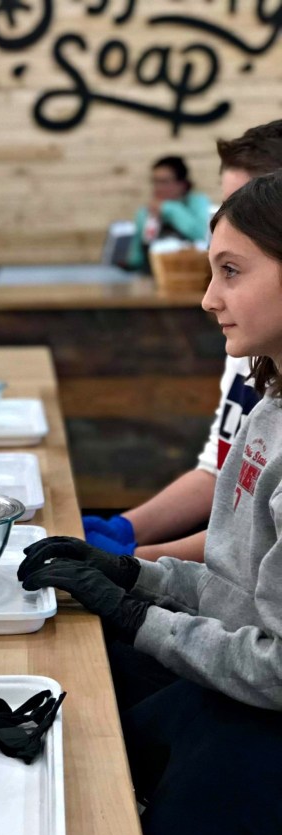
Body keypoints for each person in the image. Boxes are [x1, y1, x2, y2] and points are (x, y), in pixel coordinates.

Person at [19, 170, 282, 835]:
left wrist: (141, 618)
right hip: (235, 699)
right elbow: (242, 593)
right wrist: (135, 576)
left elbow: (277, 666)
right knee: (81, 762)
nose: (209, 299)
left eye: (232, 272)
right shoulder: (267, 408)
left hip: (267, 728)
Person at [86, 120, 282, 562]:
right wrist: (126, 533)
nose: (209, 300)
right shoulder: (258, 359)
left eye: (245, 203)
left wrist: (137, 563)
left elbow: (247, 554)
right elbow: (223, 476)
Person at [126, 155, 211, 273]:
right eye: (155, 182)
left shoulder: (196, 203)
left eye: (164, 182)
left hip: (192, 275)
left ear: (182, 184)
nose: (158, 188)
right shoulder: (146, 213)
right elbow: (136, 258)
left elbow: (202, 236)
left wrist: (169, 209)